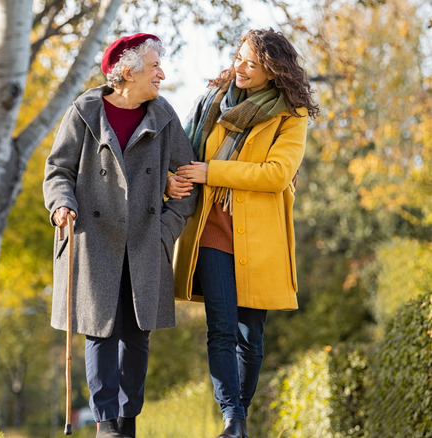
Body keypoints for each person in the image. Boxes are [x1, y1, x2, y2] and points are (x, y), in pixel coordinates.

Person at [166, 28, 320, 438]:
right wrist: (172, 179)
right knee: (221, 327)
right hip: (212, 228)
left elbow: (276, 174)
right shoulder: (213, 101)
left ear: (273, 72)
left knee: (251, 336)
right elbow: (181, 149)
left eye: (251, 63)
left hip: (261, 238)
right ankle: (232, 416)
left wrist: (212, 172)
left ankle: (239, 418)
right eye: (238, 57)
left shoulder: (291, 116)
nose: (240, 68)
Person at [43, 33, 199, 438]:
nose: (162, 75)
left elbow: (188, 181)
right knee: (100, 331)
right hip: (94, 240)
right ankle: (105, 422)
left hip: (146, 241)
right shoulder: (84, 112)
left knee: (136, 334)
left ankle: (129, 420)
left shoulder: (163, 115)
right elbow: (59, 171)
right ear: (127, 73)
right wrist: (61, 204)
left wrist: (165, 230)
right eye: (154, 67)